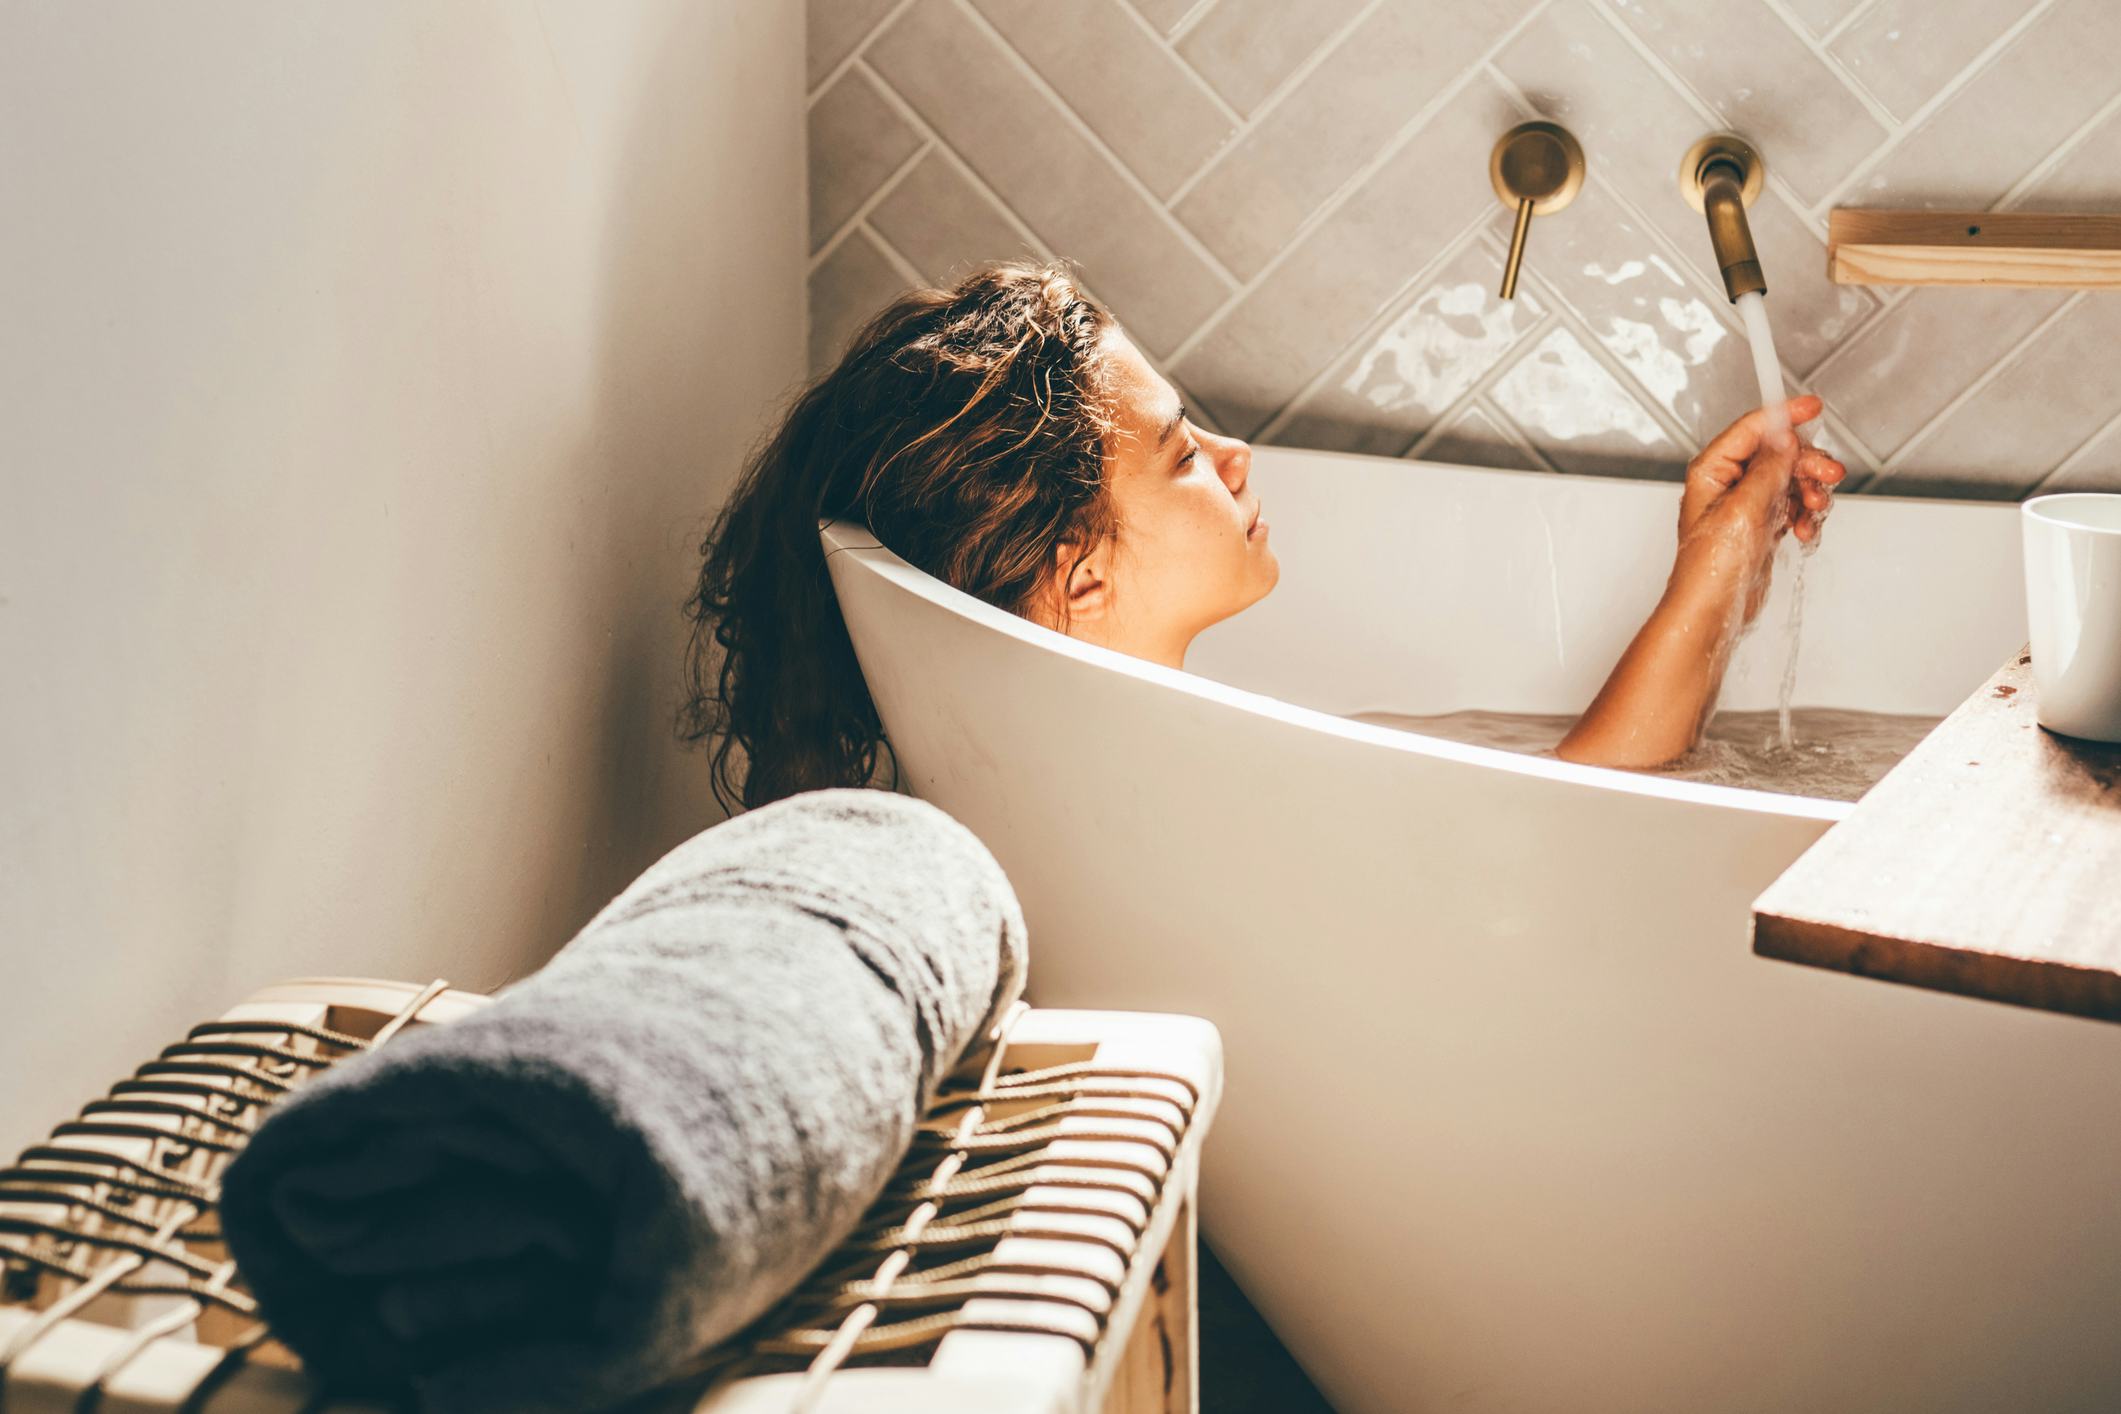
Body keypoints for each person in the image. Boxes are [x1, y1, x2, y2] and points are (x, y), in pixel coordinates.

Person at [680, 260, 1843, 810]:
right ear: (1078, 578)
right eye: (1182, 453)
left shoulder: (1095, 790)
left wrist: (1723, 564)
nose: (1235, 459)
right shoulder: (1175, 815)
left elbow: (1554, 817)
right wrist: (1718, 570)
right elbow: (1571, 837)